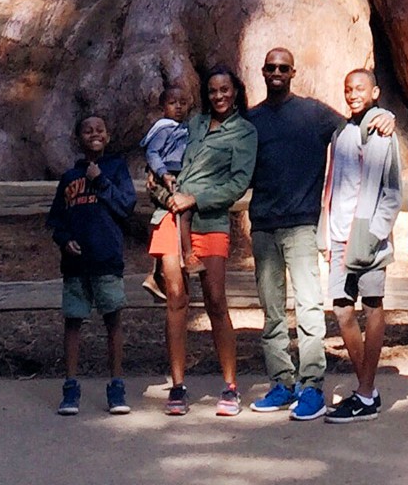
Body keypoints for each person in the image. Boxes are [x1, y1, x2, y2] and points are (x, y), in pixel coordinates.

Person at [247, 48, 394, 421]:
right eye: (271, 67)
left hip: (302, 225)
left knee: (311, 308)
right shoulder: (252, 120)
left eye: (283, 67)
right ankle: (282, 383)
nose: (277, 72)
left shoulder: (314, 114)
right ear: (263, 72)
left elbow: (355, 122)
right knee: (273, 312)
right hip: (263, 224)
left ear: (293, 72)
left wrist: (386, 116)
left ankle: (311, 387)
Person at [150, 65, 257, 417]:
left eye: (225, 90)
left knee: (215, 300)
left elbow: (237, 183)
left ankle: (230, 386)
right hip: (171, 216)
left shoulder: (243, 133)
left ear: (236, 91)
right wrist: (170, 199)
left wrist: (195, 199)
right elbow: (162, 161)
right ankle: (178, 386)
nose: (219, 96)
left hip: (209, 219)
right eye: (213, 91)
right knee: (176, 300)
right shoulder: (191, 124)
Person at [320, 69, 403, 423]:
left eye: (360, 88)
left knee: (371, 305)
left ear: (375, 91)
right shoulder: (341, 131)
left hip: (366, 233)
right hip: (339, 235)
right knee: (341, 310)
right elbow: (333, 184)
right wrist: (326, 234)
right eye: (348, 88)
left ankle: (365, 394)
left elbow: (392, 190)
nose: (353, 94)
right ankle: (367, 389)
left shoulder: (380, 130)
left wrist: (376, 231)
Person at [47, 114, 138, 416]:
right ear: (80, 137)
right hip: (75, 263)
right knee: (73, 322)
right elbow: (56, 219)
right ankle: (71, 387)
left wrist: (100, 180)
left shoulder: (116, 169)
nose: (94, 134)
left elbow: (126, 205)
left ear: (108, 136)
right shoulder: (69, 178)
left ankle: (116, 386)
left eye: (100, 129)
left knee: (113, 321)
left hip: (107, 259)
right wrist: (64, 239)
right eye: (88, 130)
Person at [139, 86, 191, 300]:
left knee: (173, 216)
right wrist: (161, 172)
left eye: (182, 102)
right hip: (167, 176)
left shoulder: (185, 128)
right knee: (173, 212)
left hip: (179, 175)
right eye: (172, 103)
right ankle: (182, 259)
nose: (178, 107)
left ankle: (157, 273)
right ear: (162, 108)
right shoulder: (163, 128)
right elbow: (152, 152)